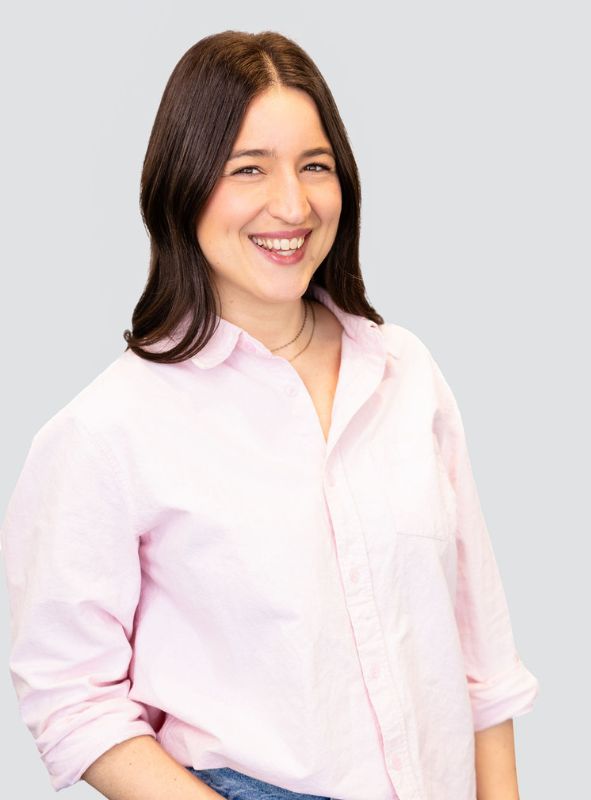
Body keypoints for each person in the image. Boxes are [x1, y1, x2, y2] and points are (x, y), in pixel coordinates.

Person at [0, 30, 539, 800]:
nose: (293, 204)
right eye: (248, 168)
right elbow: (70, 697)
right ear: (183, 184)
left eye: (315, 165)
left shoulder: (406, 373)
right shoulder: (108, 431)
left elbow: (483, 654)